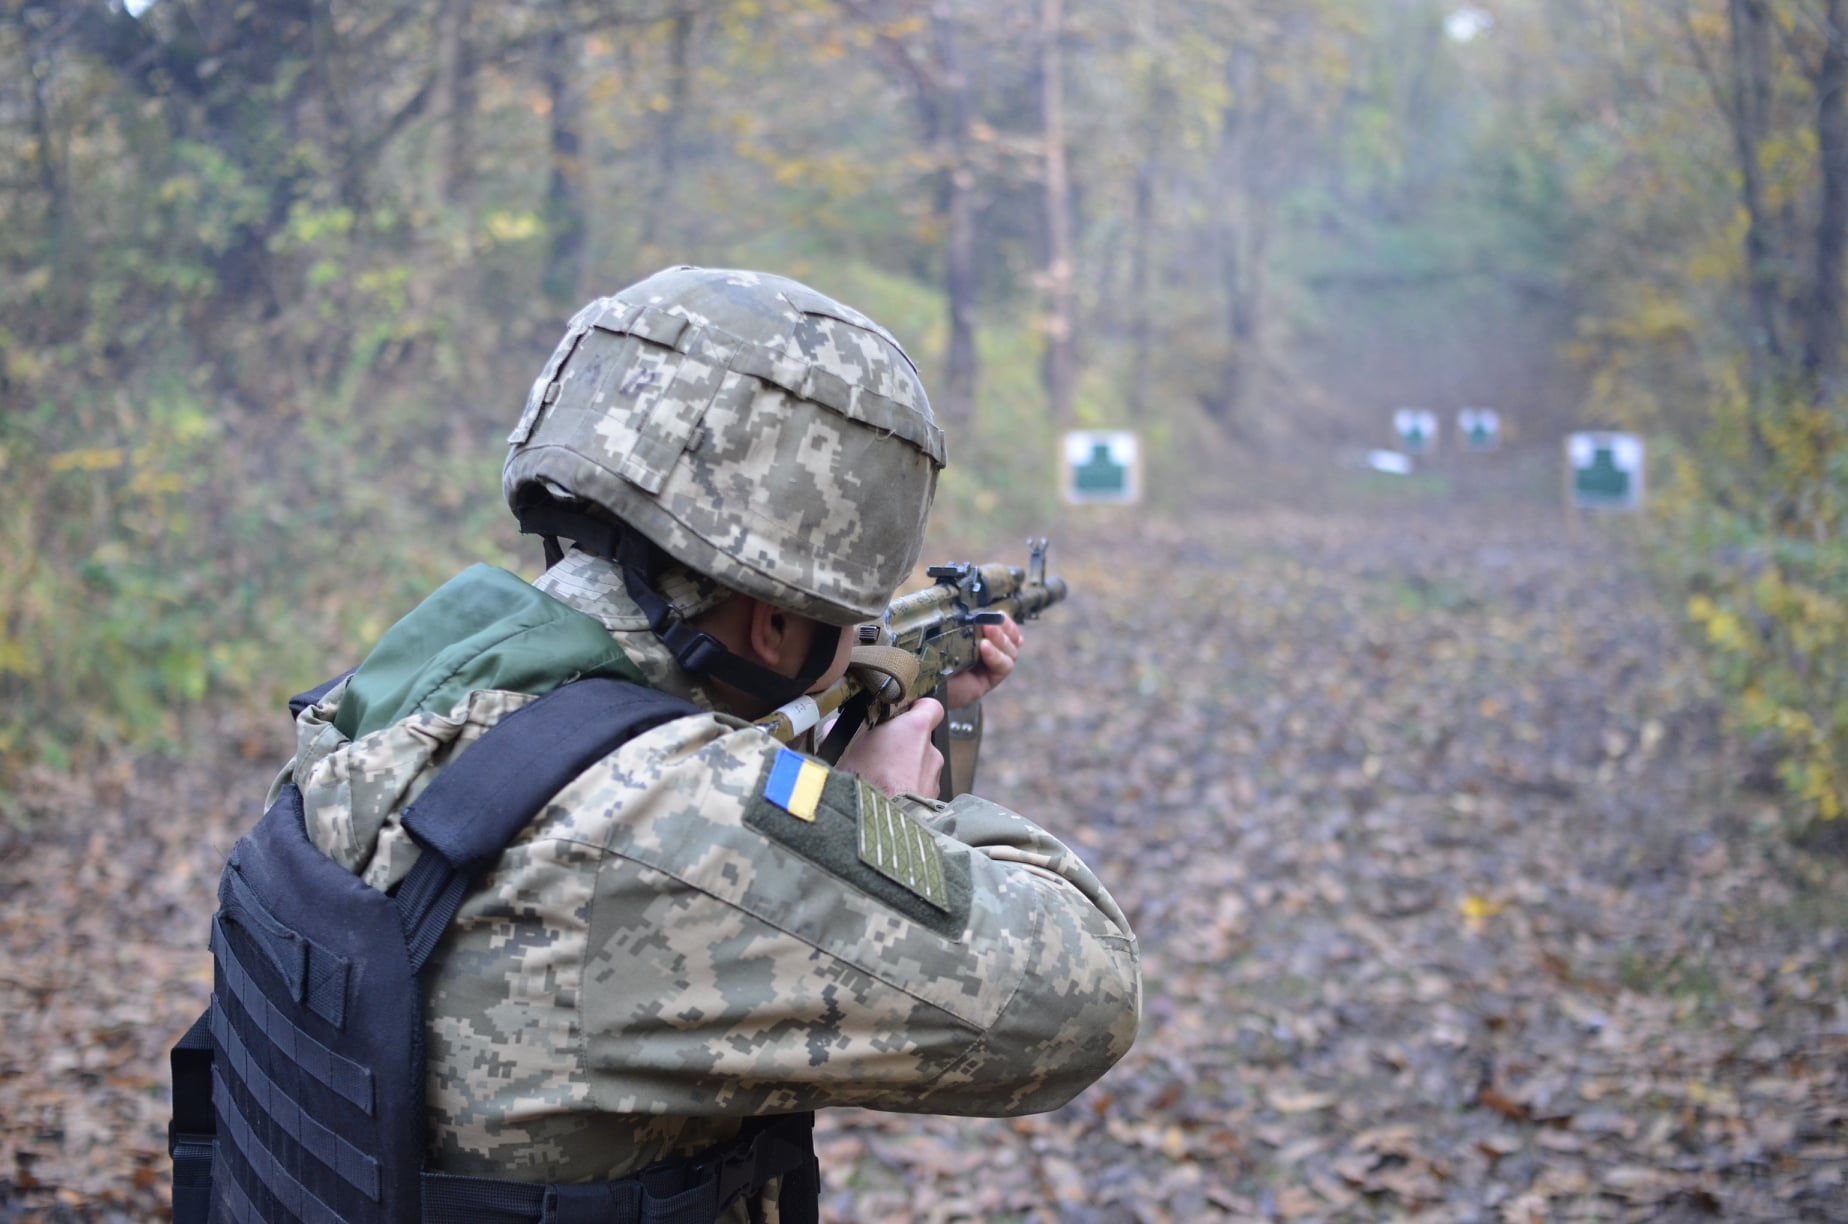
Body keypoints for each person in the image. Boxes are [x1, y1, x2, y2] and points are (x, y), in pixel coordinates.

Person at [276, 265, 1140, 1219]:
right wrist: (888, 813)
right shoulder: (656, 825)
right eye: (848, 619)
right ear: (773, 626)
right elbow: (1086, 994)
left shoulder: (387, 706)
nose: (857, 639)